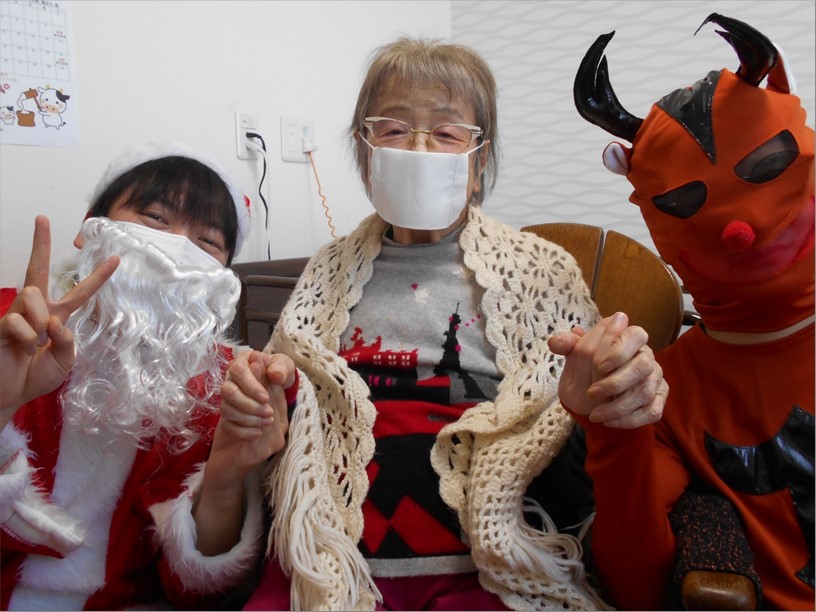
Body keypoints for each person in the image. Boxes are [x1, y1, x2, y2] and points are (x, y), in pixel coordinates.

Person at [223, 37, 668, 611]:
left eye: (447, 133)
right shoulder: (326, 272)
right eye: (393, 129)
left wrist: (613, 382)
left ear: (478, 163)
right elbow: (290, 414)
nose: (419, 147)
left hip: (483, 574)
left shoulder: (542, 271)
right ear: (364, 153)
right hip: (329, 564)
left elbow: (575, 413)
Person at [572, 13, 814, 610]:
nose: (739, 231)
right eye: (684, 202)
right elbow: (637, 591)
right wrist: (614, 427)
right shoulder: (663, 389)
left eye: (767, 167)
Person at [0, 143, 295, 610]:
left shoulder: (221, 387)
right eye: (155, 217)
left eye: (207, 242)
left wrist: (224, 476)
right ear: (90, 227)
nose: (175, 250)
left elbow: (195, 591)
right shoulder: (10, 329)